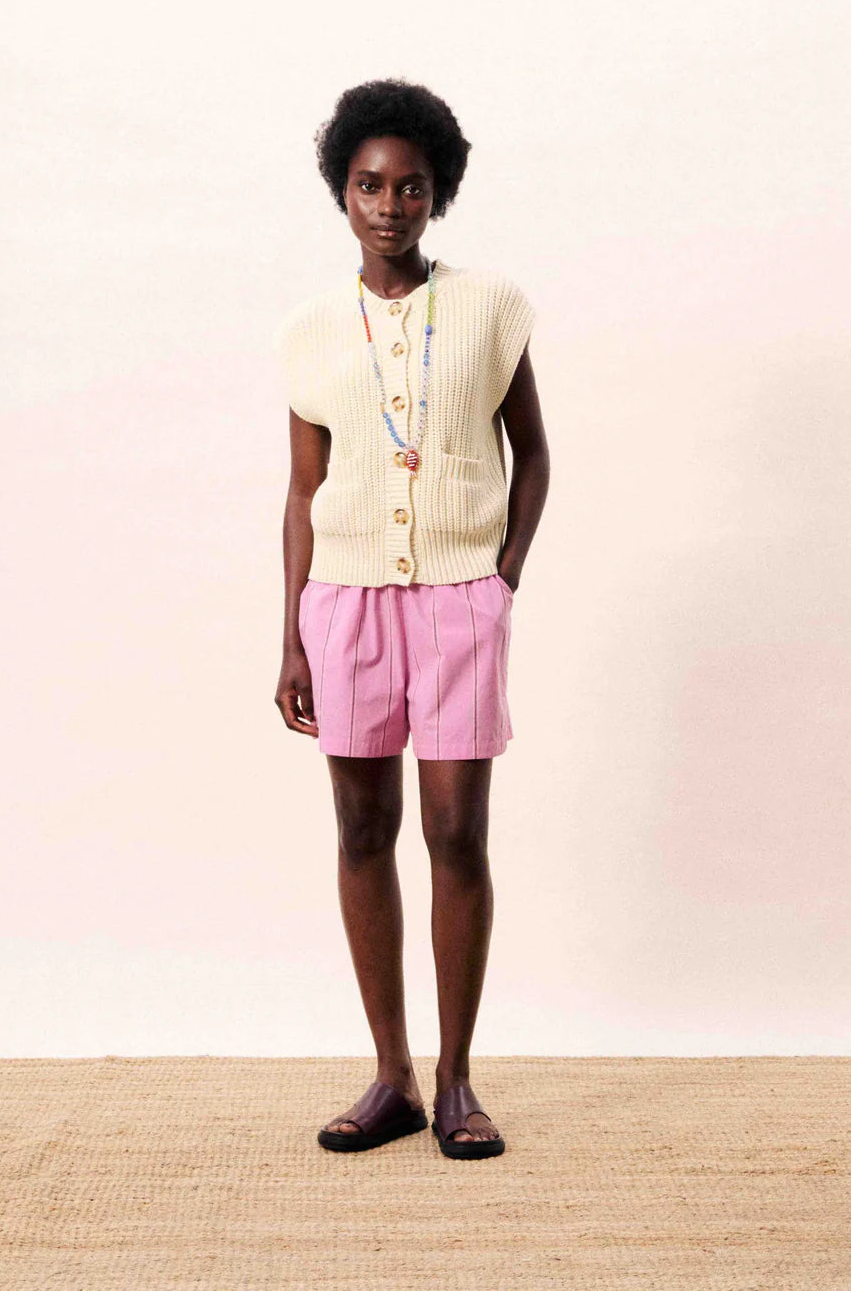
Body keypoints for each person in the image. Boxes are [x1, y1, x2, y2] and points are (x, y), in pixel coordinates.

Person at [273, 78, 550, 1159]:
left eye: (412, 187)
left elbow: (534, 453)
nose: (389, 206)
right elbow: (303, 490)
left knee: (456, 833)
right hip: (343, 604)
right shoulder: (308, 331)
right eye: (369, 185)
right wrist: (292, 636)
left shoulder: (489, 308)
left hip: (458, 603)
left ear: (440, 195)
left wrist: (502, 575)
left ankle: (456, 1079)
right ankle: (389, 1075)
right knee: (359, 831)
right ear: (341, 191)